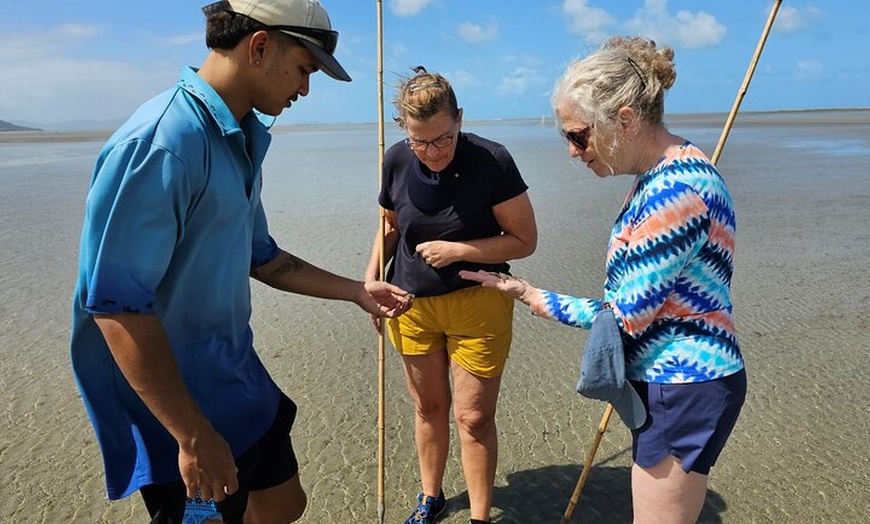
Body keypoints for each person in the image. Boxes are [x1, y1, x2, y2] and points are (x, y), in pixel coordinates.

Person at [69, 1, 413, 523]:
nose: (304, 90)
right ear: (259, 47)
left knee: (283, 505)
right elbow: (116, 308)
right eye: (305, 69)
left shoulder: (238, 135)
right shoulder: (162, 144)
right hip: (180, 408)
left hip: (237, 381)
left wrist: (356, 290)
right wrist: (191, 435)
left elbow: (263, 257)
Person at [462, 36, 747, 524]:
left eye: (578, 135)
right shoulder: (669, 171)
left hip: (682, 382)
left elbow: (624, 318)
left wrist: (532, 295)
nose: (573, 153)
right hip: (682, 379)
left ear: (625, 120)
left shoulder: (674, 191)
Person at [364, 67, 537, 524]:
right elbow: (388, 227)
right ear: (404, 128)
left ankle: (479, 516)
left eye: (443, 138)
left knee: (473, 418)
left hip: (479, 304)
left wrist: (463, 249)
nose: (432, 152)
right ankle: (431, 496)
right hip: (410, 303)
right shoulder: (397, 159)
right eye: (420, 141)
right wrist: (368, 283)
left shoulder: (492, 160)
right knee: (428, 407)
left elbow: (524, 240)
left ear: (459, 118)